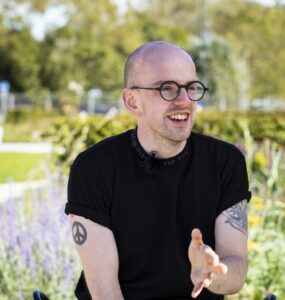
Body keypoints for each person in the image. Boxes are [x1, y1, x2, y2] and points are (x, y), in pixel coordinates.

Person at [65, 40, 251, 300]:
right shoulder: (94, 168)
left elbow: (236, 271)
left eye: (191, 88)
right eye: (168, 89)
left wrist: (212, 274)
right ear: (132, 101)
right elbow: (106, 292)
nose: (185, 101)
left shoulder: (224, 162)